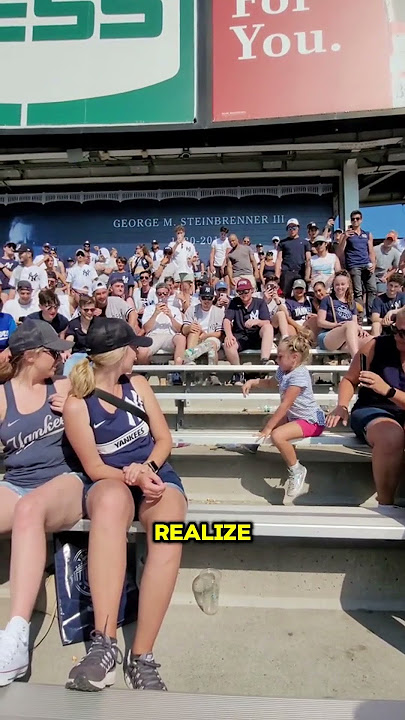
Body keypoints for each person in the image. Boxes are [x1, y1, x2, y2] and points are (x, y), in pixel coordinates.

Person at [63, 318, 186, 692]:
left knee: (170, 524)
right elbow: (96, 467)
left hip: (153, 473)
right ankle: (104, 643)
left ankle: (142, 656)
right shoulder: (76, 403)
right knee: (110, 506)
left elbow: (163, 440)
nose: (140, 351)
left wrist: (146, 469)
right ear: (119, 355)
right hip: (110, 480)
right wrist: (130, 476)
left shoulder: (139, 385)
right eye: (135, 347)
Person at [0, 320, 85, 687]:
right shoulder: (2, 396)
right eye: (53, 352)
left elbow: (110, 408)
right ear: (32, 357)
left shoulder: (65, 385)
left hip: (65, 481)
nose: (61, 356)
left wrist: (76, 408)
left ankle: (16, 637)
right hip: (17, 482)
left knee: (30, 509)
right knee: (25, 504)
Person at [326, 307, 405, 508]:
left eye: (403, 333)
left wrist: (389, 390)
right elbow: (349, 380)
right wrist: (342, 406)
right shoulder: (377, 346)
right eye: (395, 329)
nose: (397, 335)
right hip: (374, 409)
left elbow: (389, 391)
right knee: (391, 435)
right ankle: (386, 505)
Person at [242, 335, 325, 502]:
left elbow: (285, 405)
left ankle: (296, 469)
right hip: (295, 417)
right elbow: (271, 383)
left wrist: (268, 430)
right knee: (269, 421)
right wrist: (253, 381)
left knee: (277, 435)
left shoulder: (299, 376)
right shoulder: (284, 370)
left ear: (294, 357)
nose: (277, 359)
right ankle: (254, 445)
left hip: (311, 421)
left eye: (280, 356)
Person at [223, 278, 272, 381]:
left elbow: (267, 322)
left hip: (257, 335)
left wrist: (257, 322)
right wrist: (229, 335)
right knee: (228, 344)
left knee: (268, 328)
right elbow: (227, 320)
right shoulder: (234, 302)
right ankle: (238, 372)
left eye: (246, 291)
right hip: (241, 336)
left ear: (252, 290)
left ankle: (264, 362)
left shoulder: (260, 302)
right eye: (240, 292)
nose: (243, 294)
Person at [317, 271, 370, 358]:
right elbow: (320, 322)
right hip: (328, 335)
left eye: (342, 284)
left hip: (346, 338)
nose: (340, 287)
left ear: (348, 285)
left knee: (371, 339)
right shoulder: (327, 300)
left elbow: (355, 323)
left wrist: (360, 330)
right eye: (337, 284)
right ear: (333, 286)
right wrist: (335, 325)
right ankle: (355, 360)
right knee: (349, 325)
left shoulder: (351, 303)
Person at [338, 210, 376, 321]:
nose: (355, 221)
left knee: (372, 289)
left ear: (361, 220)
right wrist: (344, 237)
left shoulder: (367, 234)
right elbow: (340, 252)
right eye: (353, 219)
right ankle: (360, 317)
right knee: (358, 292)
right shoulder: (346, 235)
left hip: (367, 264)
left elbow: (371, 251)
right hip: (354, 265)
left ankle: (371, 316)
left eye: (357, 218)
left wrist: (374, 263)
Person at [142, 283, 186, 364]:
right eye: (159, 294)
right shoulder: (149, 309)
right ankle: (145, 373)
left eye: (165, 294)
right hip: (153, 336)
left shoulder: (175, 310)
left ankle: (177, 370)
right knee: (142, 352)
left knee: (181, 339)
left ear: (168, 294)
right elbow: (146, 329)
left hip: (170, 336)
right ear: (156, 294)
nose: (162, 296)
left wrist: (171, 316)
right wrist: (155, 314)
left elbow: (179, 329)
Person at [182, 284, 224, 363]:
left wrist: (205, 335)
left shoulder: (219, 312)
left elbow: (219, 333)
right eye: (204, 298)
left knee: (211, 345)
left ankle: (212, 372)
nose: (207, 301)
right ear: (199, 298)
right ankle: (189, 362)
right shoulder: (192, 309)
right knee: (194, 330)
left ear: (213, 298)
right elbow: (184, 330)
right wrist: (190, 327)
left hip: (211, 336)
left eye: (209, 298)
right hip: (195, 337)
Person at [275, 219, 311, 298]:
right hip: (287, 272)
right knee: (284, 295)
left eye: (294, 228)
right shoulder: (283, 242)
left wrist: (307, 275)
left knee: (301, 294)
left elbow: (308, 259)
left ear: (298, 228)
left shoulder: (305, 242)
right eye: (289, 228)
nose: (292, 230)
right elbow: (278, 259)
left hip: (300, 272)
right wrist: (277, 275)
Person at [63, 295, 96, 375]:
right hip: (77, 356)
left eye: (92, 310)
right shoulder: (74, 323)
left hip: (94, 356)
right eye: (86, 310)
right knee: (69, 363)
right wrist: (67, 351)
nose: (89, 312)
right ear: (80, 309)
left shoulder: (98, 323)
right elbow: (70, 339)